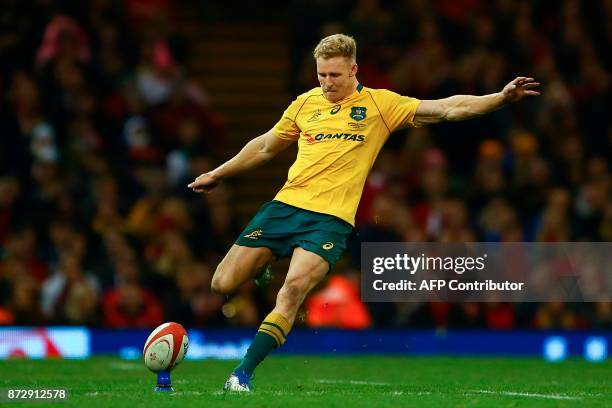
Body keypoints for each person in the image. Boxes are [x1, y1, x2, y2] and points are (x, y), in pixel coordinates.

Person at [187, 34, 540, 392]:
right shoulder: (305, 104)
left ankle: (242, 373)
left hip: (330, 221)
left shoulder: (379, 105)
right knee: (222, 283)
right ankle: (263, 267)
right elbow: (264, 146)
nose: (326, 83)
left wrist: (498, 99)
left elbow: (446, 108)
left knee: (292, 290)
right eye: (321, 75)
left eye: (335, 76)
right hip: (285, 207)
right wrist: (218, 173)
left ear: (354, 69)